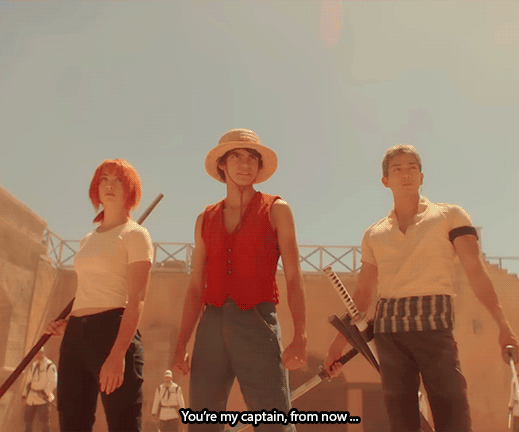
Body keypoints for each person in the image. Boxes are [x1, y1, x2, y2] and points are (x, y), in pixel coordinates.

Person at [324, 144, 519, 432]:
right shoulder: (374, 234)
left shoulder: (450, 216)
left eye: (412, 168)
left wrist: (504, 326)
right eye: (397, 169)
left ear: (422, 177)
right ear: (385, 180)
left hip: (434, 326)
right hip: (389, 334)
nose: (406, 174)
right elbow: (363, 294)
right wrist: (337, 345)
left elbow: (476, 271)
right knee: (402, 421)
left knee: (452, 414)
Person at [172, 129, 307, 432]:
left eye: (251, 158)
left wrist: (300, 335)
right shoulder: (205, 218)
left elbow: (294, 277)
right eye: (236, 157)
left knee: (273, 421)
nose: (245, 165)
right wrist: (181, 343)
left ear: (259, 166)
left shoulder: (277, 209)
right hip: (211, 325)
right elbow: (195, 287)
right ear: (222, 164)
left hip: (257, 321)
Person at [45, 159, 153, 432]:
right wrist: (69, 322)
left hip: (114, 331)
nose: (109, 185)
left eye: (118, 180)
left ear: (130, 189)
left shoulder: (136, 235)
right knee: (72, 423)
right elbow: (89, 289)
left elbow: (137, 299)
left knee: (124, 425)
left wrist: (118, 354)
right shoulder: (87, 240)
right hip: (75, 337)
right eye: (104, 178)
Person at [22, 347, 57, 432]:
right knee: (28, 421)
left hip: (43, 398)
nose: (37, 355)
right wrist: (24, 395)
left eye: (38, 353)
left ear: (42, 353)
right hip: (32, 397)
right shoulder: (33, 365)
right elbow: (28, 381)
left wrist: (44, 393)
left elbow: (53, 382)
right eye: (36, 353)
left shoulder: (49, 365)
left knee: (44, 423)